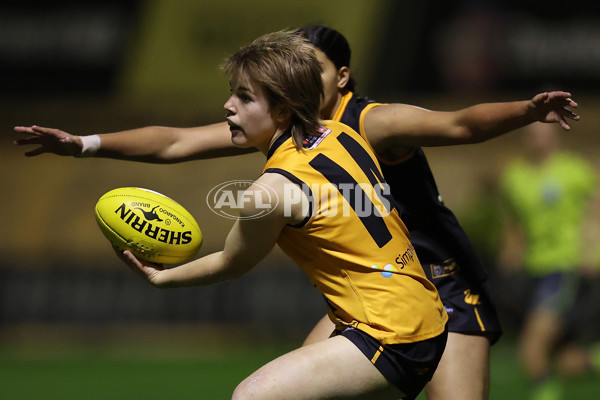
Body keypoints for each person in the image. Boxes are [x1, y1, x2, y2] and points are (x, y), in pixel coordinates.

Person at [14, 25, 580, 400]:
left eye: (248, 94)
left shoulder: (366, 124)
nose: (230, 106)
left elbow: (462, 124)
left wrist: (526, 110)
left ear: (337, 78)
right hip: (377, 291)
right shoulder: (317, 133)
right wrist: (84, 143)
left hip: (437, 284)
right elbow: (174, 142)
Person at [124, 30, 448, 399]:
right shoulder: (342, 134)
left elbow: (234, 262)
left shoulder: (270, 192)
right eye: (232, 92)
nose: (228, 106)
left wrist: (162, 279)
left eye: (245, 97)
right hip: (424, 313)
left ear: (283, 109)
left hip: (388, 333)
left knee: (251, 396)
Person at [497, 122, 597, 400]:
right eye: (532, 133)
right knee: (562, 359)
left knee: (531, 349)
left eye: (543, 133)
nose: (537, 139)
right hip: (534, 269)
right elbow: (513, 222)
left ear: (555, 136)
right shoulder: (514, 176)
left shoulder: (574, 170)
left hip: (566, 266)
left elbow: (594, 211)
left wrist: (591, 247)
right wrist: (510, 253)